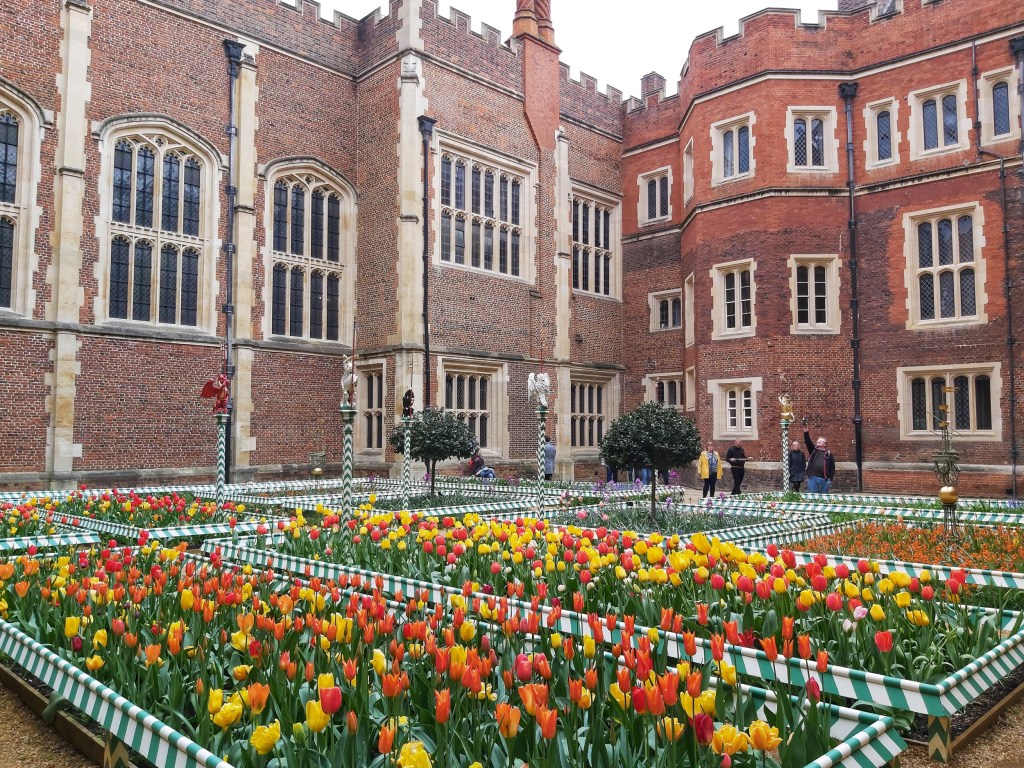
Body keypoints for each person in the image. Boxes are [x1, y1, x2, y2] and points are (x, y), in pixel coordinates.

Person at [802, 419, 835, 493]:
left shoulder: (829, 454)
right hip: (813, 478)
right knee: (813, 497)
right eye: (818, 441)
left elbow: (832, 468)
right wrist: (805, 430)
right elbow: (807, 441)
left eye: (821, 441)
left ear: (825, 444)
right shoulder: (813, 451)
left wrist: (829, 479)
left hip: (824, 479)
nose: (818, 441)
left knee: (824, 499)